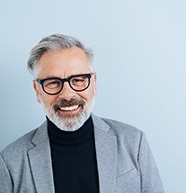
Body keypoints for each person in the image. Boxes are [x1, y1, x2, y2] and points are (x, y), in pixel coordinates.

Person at [0, 34, 164, 193]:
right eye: (53, 83)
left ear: (93, 83)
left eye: (78, 80)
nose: (67, 94)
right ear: (37, 91)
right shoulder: (10, 162)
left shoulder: (134, 142)